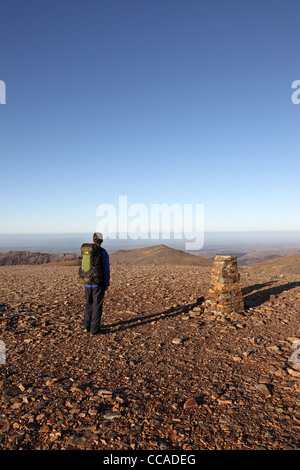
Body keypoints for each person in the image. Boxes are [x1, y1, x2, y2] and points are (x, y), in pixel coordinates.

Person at [83, 232, 110, 335]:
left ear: (93, 240)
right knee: (97, 305)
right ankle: (94, 329)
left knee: (88, 303)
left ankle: (86, 326)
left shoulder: (87, 252)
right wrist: (107, 283)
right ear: (101, 241)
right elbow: (106, 270)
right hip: (98, 283)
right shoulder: (102, 252)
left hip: (87, 282)